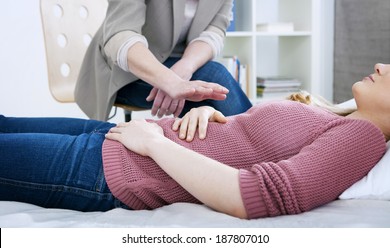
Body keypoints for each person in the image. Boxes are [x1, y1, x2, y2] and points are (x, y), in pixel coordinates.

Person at [1, 63, 389, 219]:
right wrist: (212, 116)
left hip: (111, 170)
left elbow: (256, 195)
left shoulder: (364, 137)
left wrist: (155, 144)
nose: (381, 66)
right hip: (118, 142)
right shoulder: (339, 119)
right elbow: (251, 145)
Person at [75, 0, 252, 121]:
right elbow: (121, 35)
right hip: (123, 70)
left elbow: (215, 30)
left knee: (207, 104)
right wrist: (171, 82)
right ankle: (265, 145)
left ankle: (246, 153)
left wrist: (185, 67)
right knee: (213, 78)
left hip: (178, 63)